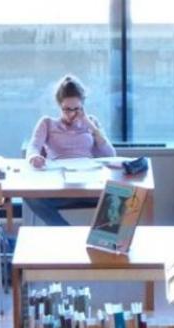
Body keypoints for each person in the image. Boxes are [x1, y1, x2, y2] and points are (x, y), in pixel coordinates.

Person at [24, 75, 116, 226]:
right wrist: (34, 156)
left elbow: (110, 155)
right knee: (30, 197)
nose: (71, 114)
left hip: (89, 185)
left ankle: (104, 240)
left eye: (76, 109)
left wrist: (89, 124)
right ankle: (67, 232)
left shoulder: (91, 123)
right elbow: (33, 146)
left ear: (83, 107)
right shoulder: (47, 123)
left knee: (121, 196)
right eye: (66, 109)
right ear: (59, 105)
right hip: (60, 187)